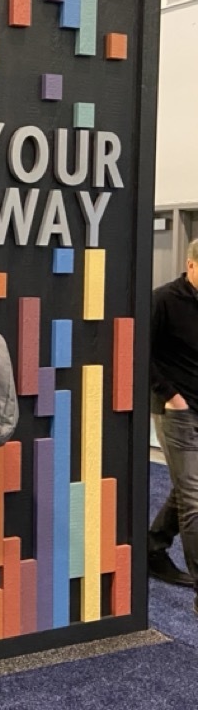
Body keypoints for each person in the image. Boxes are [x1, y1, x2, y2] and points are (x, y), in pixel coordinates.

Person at [147, 239, 198, 595]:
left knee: (187, 487)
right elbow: (140, 352)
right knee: (194, 498)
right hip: (176, 411)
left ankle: (153, 545)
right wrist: (171, 397)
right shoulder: (163, 300)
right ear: (191, 264)